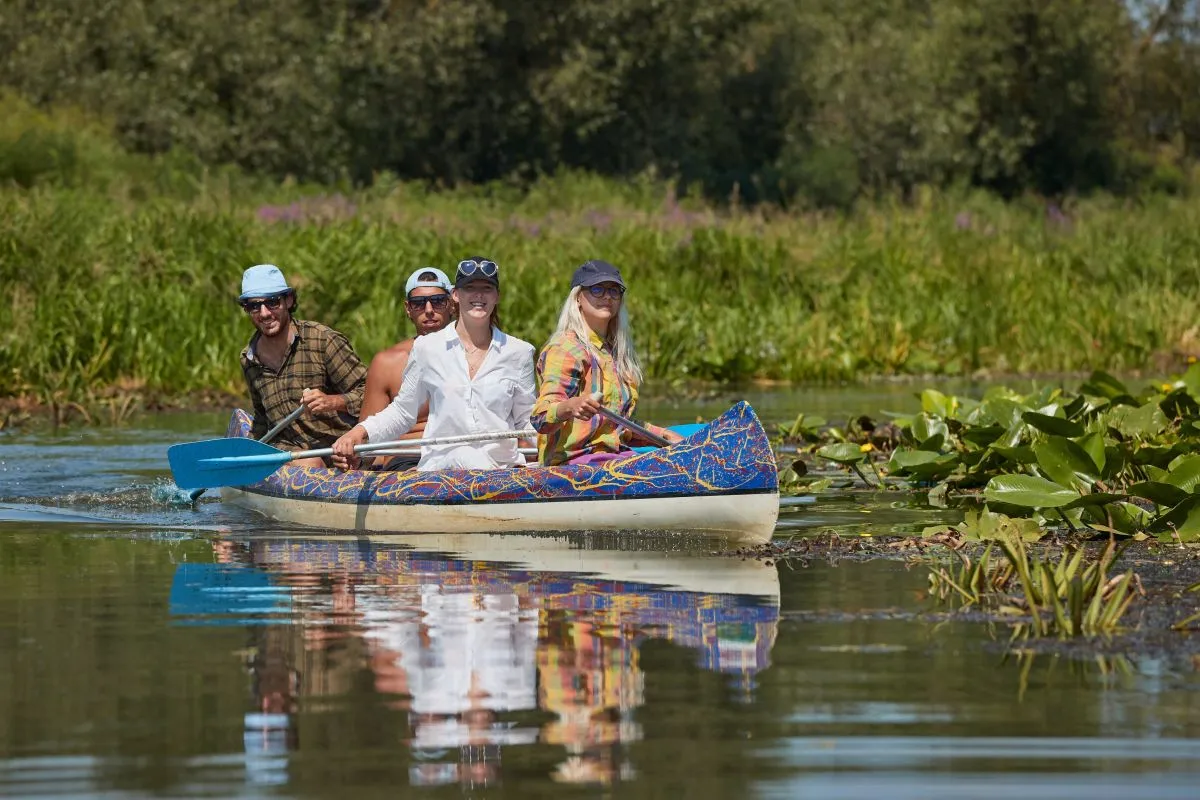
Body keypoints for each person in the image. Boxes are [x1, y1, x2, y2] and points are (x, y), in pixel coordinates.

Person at [332, 256, 536, 471]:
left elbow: (525, 420)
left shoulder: (519, 352)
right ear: (456, 295)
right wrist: (359, 432)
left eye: (486, 288)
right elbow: (403, 412)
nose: (478, 295)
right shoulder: (427, 348)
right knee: (464, 454)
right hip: (443, 467)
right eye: (470, 288)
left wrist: (560, 447)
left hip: (503, 468)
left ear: (497, 296)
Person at [531, 259, 682, 466]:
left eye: (614, 290)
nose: (607, 297)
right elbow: (540, 418)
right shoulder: (565, 349)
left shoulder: (615, 354)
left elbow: (619, 426)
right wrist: (570, 406)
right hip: (572, 465)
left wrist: (664, 435)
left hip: (614, 458)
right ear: (578, 298)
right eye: (597, 289)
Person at [238, 264, 368, 468]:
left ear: (288, 300)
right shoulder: (249, 359)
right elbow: (262, 419)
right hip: (292, 453)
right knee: (311, 462)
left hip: (342, 449)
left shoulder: (323, 340)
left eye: (272, 302)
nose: (264, 313)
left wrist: (332, 402)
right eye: (254, 306)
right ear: (247, 309)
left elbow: (371, 395)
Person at [359, 267, 456, 469]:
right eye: (418, 304)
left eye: (437, 301)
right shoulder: (387, 363)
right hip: (408, 460)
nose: (429, 310)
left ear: (452, 305)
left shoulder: (476, 354)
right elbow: (370, 446)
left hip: (462, 459)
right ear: (408, 309)